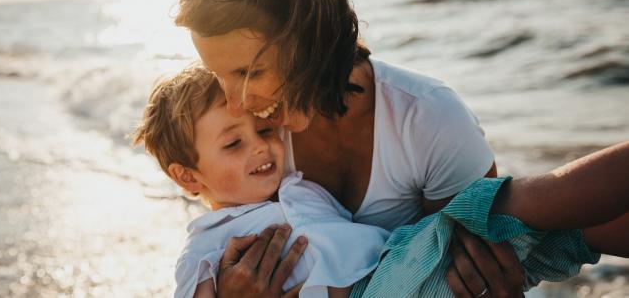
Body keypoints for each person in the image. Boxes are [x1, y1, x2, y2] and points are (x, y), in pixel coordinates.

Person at [174, 0, 529, 297]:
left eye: (250, 73)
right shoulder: (252, 138)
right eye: (217, 75)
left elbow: (479, 271)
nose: (233, 102)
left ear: (312, 43)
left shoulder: (428, 120)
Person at [131, 65, 629, 298]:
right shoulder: (207, 248)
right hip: (384, 287)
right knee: (514, 208)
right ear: (187, 176)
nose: (262, 146)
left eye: (263, 129)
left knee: (563, 236)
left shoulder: (298, 185)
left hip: (406, 265)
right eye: (233, 145)